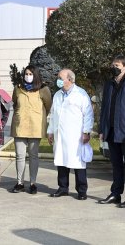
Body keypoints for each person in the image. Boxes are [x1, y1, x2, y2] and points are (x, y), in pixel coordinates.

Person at [47, 69, 94, 200]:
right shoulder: (57, 95)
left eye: (61, 78)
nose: (58, 80)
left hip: (76, 136)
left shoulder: (80, 94)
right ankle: (63, 188)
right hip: (60, 135)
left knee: (78, 163)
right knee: (61, 162)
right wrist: (50, 131)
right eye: (58, 77)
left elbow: (88, 114)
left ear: (70, 80)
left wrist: (86, 131)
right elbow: (52, 115)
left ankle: (82, 190)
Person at [10, 65, 52, 194]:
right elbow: (15, 103)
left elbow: (48, 105)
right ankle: (20, 183)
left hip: (35, 126)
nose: (28, 76)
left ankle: (33, 183)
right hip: (20, 125)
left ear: (36, 75)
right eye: (26, 74)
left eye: (30, 74)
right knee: (20, 156)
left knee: (33, 156)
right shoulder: (18, 88)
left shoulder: (43, 89)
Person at [99, 54, 125, 206]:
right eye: (113, 65)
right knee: (116, 165)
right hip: (112, 130)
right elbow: (104, 109)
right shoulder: (109, 84)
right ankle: (115, 194)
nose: (114, 68)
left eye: (117, 66)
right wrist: (102, 129)